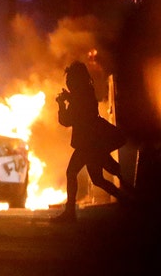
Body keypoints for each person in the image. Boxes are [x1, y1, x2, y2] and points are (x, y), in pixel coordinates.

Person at [51, 61, 133, 223]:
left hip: (86, 144)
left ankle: (70, 213)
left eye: (70, 79)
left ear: (76, 79)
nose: (68, 83)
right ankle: (126, 201)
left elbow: (67, 120)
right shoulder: (86, 92)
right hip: (92, 143)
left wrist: (61, 105)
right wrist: (69, 98)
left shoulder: (80, 96)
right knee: (97, 179)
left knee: (71, 172)